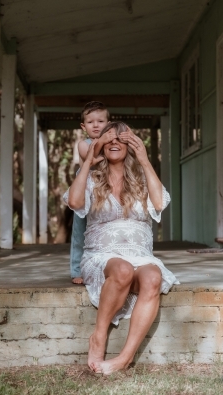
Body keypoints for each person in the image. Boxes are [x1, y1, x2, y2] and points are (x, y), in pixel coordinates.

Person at [64, 122, 179, 374]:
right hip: (102, 256)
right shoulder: (93, 178)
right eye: (108, 139)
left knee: (153, 276)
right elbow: (74, 201)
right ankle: (99, 336)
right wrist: (87, 162)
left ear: (130, 145)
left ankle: (124, 358)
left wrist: (145, 160)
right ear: (100, 145)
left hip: (140, 255)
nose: (114, 143)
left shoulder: (141, 178)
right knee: (123, 270)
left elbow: (159, 203)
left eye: (121, 139)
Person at [70, 101, 116, 284]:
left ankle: (105, 266)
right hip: (85, 190)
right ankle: (76, 271)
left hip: (106, 190)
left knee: (106, 229)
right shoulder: (84, 144)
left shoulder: (111, 143)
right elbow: (91, 156)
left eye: (100, 121)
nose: (96, 125)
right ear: (83, 126)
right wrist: (103, 141)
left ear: (108, 123)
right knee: (80, 230)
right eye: (90, 122)